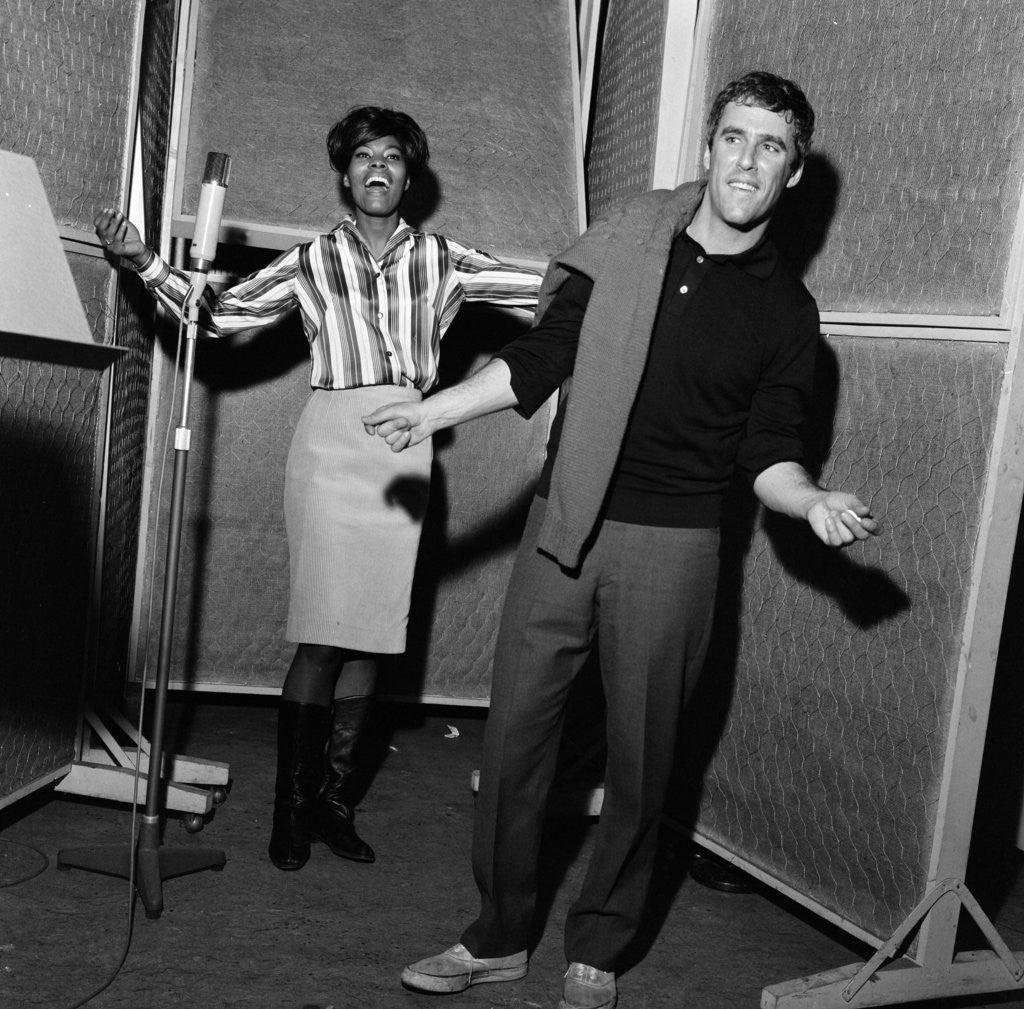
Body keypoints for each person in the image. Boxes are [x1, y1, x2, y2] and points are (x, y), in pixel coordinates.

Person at [362, 72, 879, 1009]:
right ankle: (498, 931)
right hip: (565, 519)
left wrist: (807, 503)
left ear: (795, 173)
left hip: (674, 548)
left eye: (771, 146)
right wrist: (433, 409)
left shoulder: (786, 315)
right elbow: (539, 357)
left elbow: (771, 449)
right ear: (709, 147)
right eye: (733, 137)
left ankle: (599, 944)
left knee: (644, 757)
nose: (746, 159)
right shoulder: (631, 241)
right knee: (515, 738)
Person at [94, 107, 542, 873]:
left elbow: (548, 292)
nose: (377, 168)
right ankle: (291, 809)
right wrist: (145, 264)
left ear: (410, 175)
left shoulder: (444, 257)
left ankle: (335, 802)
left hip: (408, 443)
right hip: (330, 444)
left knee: (373, 631)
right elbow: (224, 312)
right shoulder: (311, 260)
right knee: (323, 631)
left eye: (392, 157)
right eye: (362, 156)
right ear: (344, 174)